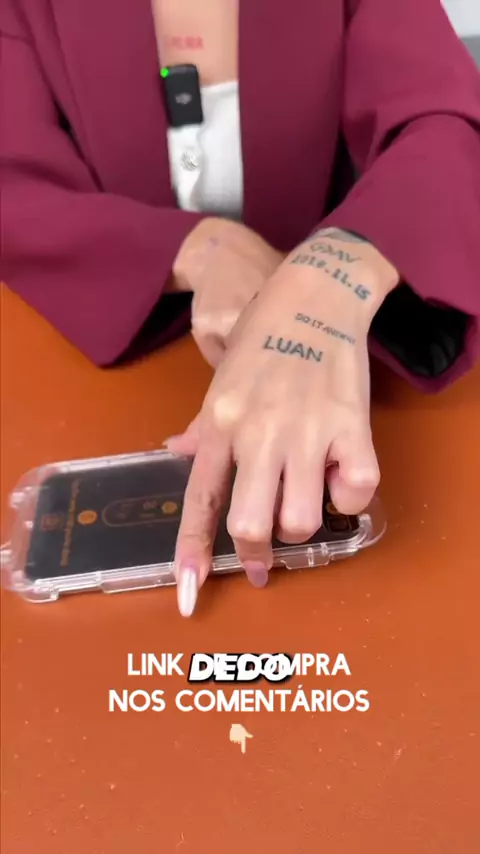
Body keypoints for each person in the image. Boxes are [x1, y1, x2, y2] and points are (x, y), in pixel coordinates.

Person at [2, 0, 480, 617]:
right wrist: (197, 248)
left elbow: (447, 127)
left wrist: (327, 277)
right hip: (98, 371)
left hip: (355, 370)